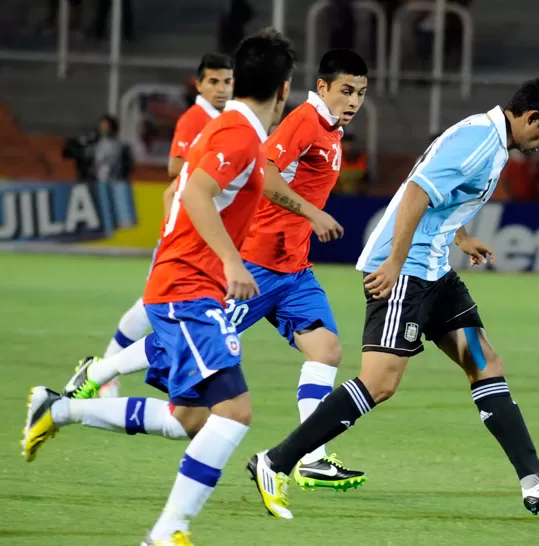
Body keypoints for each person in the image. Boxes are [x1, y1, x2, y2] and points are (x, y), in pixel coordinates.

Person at [246, 77, 539, 520]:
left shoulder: (489, 139)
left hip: (434, 269)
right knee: (379, 383)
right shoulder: (479, 141)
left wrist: (461, 235)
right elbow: (416, 192)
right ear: (531, 118)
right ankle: (275, 461)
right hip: (407, 269)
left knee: (485, 362)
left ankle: (533, 478)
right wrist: (396, 263)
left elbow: (440, 194)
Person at [52, 49, 371, 492]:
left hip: (293, 267)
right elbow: (269, 170)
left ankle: (311, 457)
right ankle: (99, 372)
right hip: (258, 264)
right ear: (322, 88)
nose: (353, 101)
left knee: (327, 351)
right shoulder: (304, 121)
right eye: (345, 91)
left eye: (360, 93)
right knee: (175, 345)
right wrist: (312, 214)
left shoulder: (333, 131)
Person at [23, 28, 296, 546]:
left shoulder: (232, 131)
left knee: (189, 419)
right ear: (284, 89)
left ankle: (58, 408)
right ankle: (168, 532)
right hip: (189, 287)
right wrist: (230, 261)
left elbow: (180, 189)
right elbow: (193, 192)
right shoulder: (237, 135)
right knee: (234, 412)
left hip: (187, 283)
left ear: (239, 79)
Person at [97, 53, 234, 399]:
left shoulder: (222, 119)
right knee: (151, 303)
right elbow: (176, 167)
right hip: (184, 229)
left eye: (227, 81)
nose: (221, 88)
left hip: (198, 230)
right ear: (199, 84)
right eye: (214, 81)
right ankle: (106, 367)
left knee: (155, 303)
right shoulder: (195, 118)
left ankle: (110, 367)